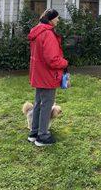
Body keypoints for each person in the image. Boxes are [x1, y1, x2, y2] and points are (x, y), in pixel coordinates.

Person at [27, 9, 68, 146]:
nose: (58, 20)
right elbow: (53, 60)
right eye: (57, 18)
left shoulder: (37, 32)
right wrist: (65, 62)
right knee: (47, 105)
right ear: (51, 19)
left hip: (38, 73)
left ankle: (34, 132)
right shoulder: (48, 34)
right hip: (47, 75)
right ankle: (42, 136)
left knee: (39, 103)